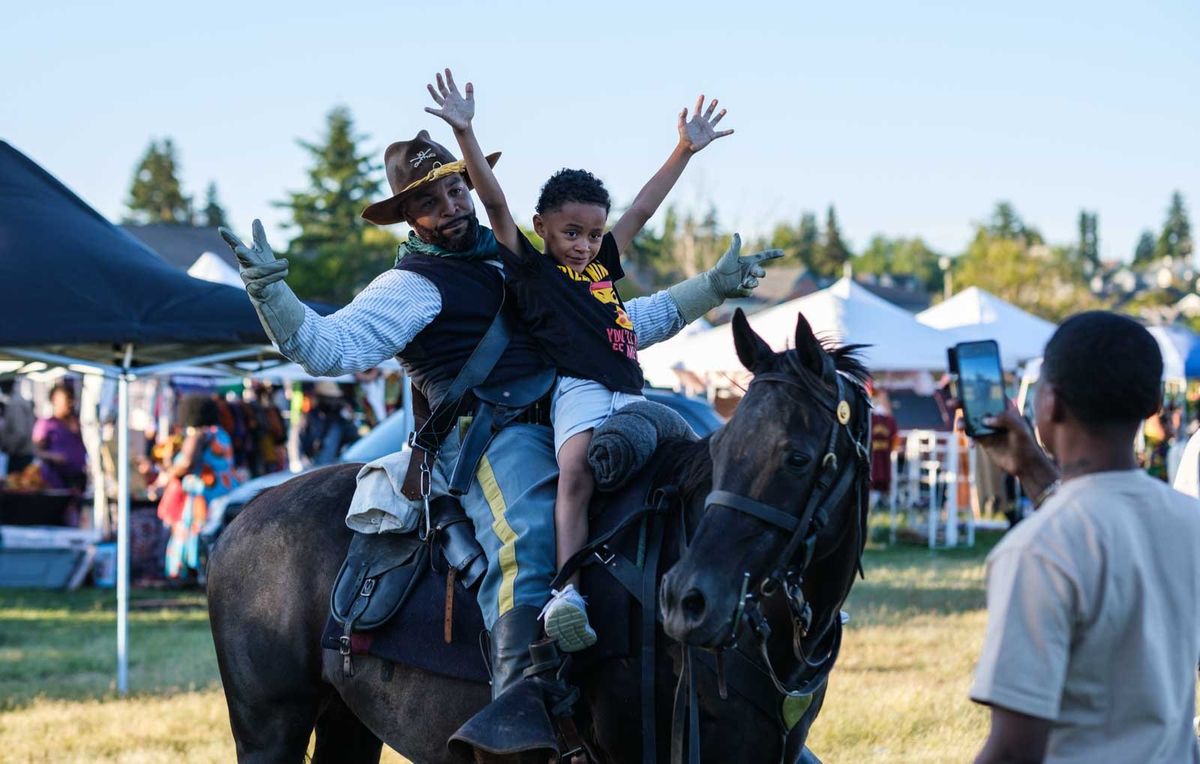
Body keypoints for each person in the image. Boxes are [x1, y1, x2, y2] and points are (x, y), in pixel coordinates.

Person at [219, 88, 777, 755]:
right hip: (488, 438)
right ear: (409, 217)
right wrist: (271, 294)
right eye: (429, 201)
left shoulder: (523, 259)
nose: (450, 207)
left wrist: (712, 286)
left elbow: (615, 328)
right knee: (532, 531)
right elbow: (326, 348)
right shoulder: (411, 286)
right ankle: (521, 709)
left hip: (570, 413)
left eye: (455, 190)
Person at [425, 68, 764, 651]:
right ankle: (567, 592)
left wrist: (683, 149)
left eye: (592, 234)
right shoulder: (533, 271)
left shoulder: (602, 264)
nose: (583, 245)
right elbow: (494, 200)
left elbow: (642, 210)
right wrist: (465, 134)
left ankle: (737, 582)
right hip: (578, 391)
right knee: (576, 474)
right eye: (571, 233)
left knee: (697, 467)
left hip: (633, 392)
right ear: (543, 230)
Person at [968, 311, 1200, 763]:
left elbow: (1014, 751)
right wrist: (1032, 468)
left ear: (1050, 403)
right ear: (1153, 403)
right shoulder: (1191, 521)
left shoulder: (1035, 551)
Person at [158, 395, 240, 581]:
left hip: (203, 496)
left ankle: (190, 574)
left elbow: (186, 462)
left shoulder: (199, 435)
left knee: (197, 534)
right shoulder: (222, 434)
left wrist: (168, 473)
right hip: (226, 491)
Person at [32, 383, 88, 492]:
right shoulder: (46, 424)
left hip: (78, 476)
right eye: (66, 399)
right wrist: (53, 456)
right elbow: (36, 450)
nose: (70, 403)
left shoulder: (76, 422)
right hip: (57, 479)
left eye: (71, 399)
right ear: (54, 400)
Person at [0, 378, 35, 474]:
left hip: (20, 454)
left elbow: (20, 432)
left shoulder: (15, 403)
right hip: (21, 453)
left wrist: (10, 448)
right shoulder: (16, 400)